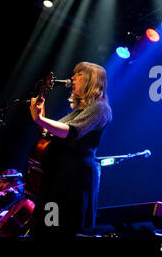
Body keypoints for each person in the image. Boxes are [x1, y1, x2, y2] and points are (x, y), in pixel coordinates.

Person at [29, 61, 112, 236]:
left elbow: (71, 132)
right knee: (46, 227)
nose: (72, 77)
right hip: (58, 176)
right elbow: (48, 132)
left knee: (58, 229)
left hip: (72, 180)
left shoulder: (100, 108)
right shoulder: (76, 112)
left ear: (91, 80)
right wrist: (40, 112)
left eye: (78, 74)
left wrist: (39, 119)